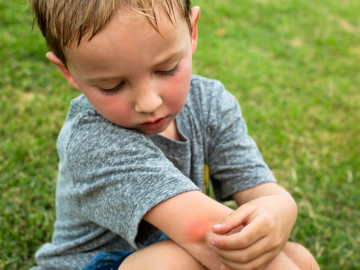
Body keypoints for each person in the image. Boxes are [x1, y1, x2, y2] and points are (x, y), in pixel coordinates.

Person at [30, 0, 319, 269]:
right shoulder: (92, 141)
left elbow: (260, 188)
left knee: (300, 258)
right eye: (111, 85)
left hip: (176, 252)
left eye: (167, 68)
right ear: (68, 71)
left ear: (192, 31)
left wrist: (280, 207)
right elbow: (207, 237)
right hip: (97, 264)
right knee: (173, 261)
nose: (149, 103)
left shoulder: (210, 103)